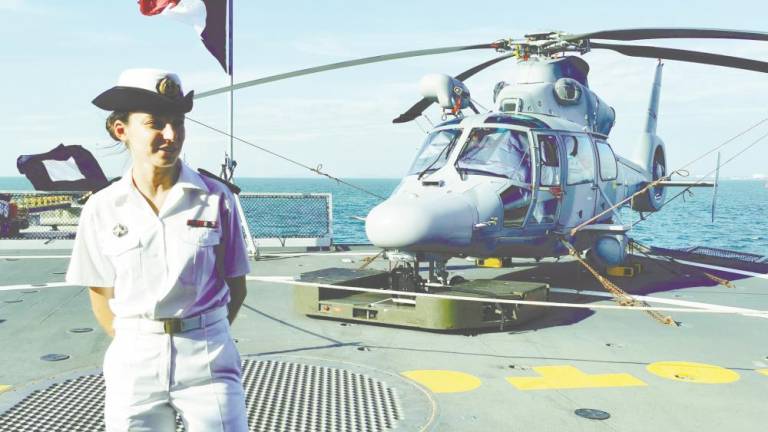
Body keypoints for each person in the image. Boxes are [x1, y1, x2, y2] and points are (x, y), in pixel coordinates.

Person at [66, 68, 250, 432]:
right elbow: (101, 294)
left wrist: (203, 333)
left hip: (208, 355)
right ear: (122, 130)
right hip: (134, 360)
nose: (171, 135)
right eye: (155, 124)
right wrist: (139, 342)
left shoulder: (216, 198)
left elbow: (237, 285)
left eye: (177, 123)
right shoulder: (102, 207)